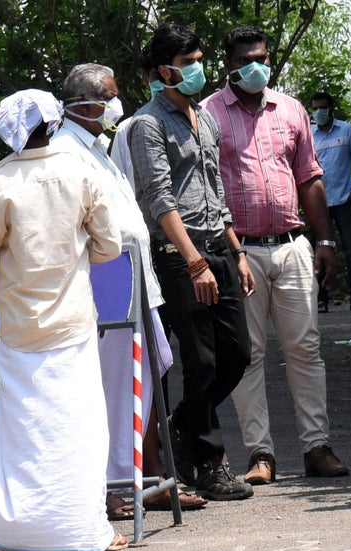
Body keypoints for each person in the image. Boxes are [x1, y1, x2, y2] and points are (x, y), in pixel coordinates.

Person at [0, 89, 126, 551]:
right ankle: (79, 529)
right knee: (78, 432)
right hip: (74, 326)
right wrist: (77, 258)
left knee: (22, 433)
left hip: (19, 331)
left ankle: (9, 528)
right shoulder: (80, 173)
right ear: (55, 122)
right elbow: (110, 247)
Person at [52, 63, 207, 515]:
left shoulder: (97, 145)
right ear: (88, 103)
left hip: (136, 283)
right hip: (107, 288)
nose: (118, 103)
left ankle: (146, 478)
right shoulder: (65, 151)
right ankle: (113, 486)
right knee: (115, 389)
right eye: (112, 95)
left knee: (147, 379)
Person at [202, 25, 348, 485]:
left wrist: (324, 241)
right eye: (246, 60)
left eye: (262, 58)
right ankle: (260, 454)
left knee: (305, 348)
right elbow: (205, 187)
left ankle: (317, 447)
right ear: (227, 65)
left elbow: (309, 177)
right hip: (238, 250)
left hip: (291, 246)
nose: (256, 67)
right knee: (248, 354)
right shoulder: (208, 114)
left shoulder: (291, 110)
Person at [128, 23, 255, 501]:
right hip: (180, 257)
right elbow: (159, 199)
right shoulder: (147, 124)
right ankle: (208, 463)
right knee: (199, 360)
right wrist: (195, 262)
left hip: (219, 250)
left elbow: (216, 192)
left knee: (237, 353)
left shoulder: (204, 117)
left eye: (199, 60)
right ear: (164, 70)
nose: (198, 69)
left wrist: (236, 251)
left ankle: (181, 424)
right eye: (188, 63)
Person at [310, 91, 351, 313]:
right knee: (320, 250)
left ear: (331, 108)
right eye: (314, 108)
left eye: (322, 107)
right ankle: (321, 299)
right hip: (320, 203)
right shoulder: (310, 135)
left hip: (344, 199)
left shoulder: (346, 130)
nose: (318, 112)